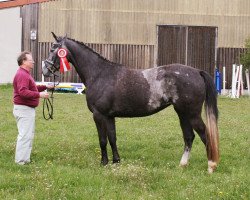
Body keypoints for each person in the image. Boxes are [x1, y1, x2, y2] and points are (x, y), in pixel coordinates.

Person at [13, 51, 53, 165]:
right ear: (24, 61)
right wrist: (39, 95)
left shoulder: (25, 74)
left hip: (26, 109)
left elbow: (32, 87)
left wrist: (45, 86)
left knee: (28, 135)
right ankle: (20, 161)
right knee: (25, 135)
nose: (33, 62)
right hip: (23, 109)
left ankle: (25, 160)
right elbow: (23, 92)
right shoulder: (22, 74)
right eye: (31, 60)